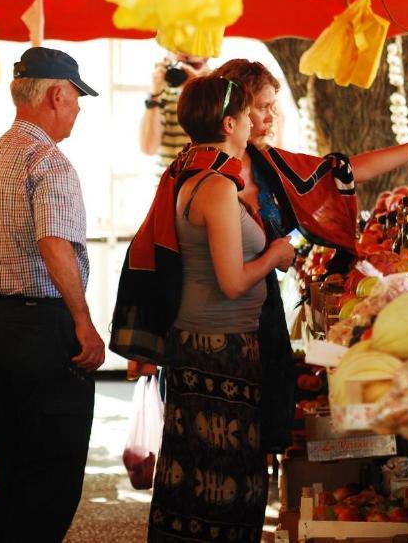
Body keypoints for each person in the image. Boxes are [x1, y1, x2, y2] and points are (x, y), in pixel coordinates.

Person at [114, 72, 296, 542]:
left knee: (197, 470)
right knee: (224, 477)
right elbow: (233, 281)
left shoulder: (194, 173)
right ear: (232, 123)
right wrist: (275, 256)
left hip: (208, 341)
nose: (258, 120)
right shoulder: (215, 186)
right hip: (219, 347)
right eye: (250, 112)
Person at [0, 46, 106, 543]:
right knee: (51, 473)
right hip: (42, 328)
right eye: (76, 99)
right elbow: (53, 242)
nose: (79, 110)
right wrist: (82, 321)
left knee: (15, 463)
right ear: (56, 95)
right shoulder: (49, 162)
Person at [211, 59, 408, 253]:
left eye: (272, 106)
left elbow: (342, 171)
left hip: (262, 308)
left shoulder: (268, 163)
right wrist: (273, 259)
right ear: (236, 110)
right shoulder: (203, 174)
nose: (272, 117)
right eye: (263, 107)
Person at [140, 52, 211, 165]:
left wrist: (196, 90)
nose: (183, 68)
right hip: (167, 180)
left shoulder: (217, 87)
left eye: (189, 63)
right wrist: (154, 95)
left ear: (206, 57)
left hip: (205, 180)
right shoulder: (163, 89)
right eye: (177, 63)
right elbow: (148, 148)